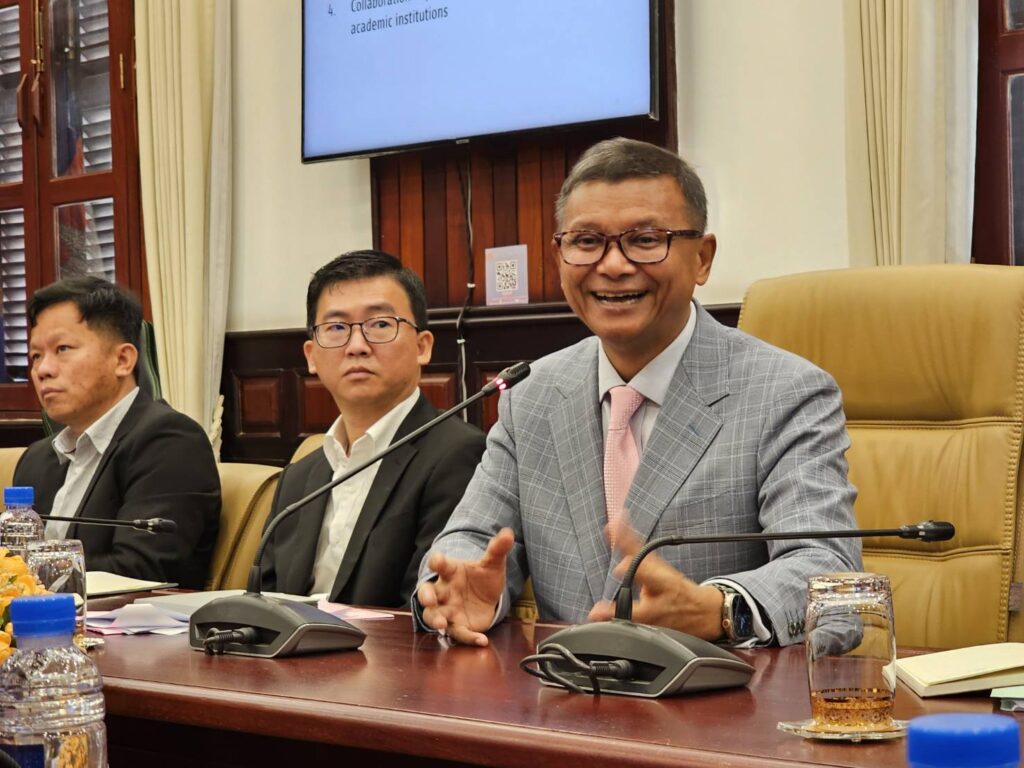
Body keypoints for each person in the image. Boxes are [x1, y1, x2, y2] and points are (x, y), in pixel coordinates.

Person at [416, 137, 861, 647]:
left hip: (717, 705)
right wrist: (458, 590)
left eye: (646, 240)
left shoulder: (786, 392)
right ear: (559, 256)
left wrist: (719, 611)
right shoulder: (532, 393)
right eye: (586, 241)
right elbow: (473, 538)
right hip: (561, 705)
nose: (613, 265)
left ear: (702, 259)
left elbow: (831, 575)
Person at [260, 250, 486, 607]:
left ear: (422, 346)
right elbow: (263, 598)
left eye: (380, 325)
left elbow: (428, 607)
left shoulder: (459, 455)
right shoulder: (300, 477)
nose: (356, 346)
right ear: (311, 356)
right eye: (336, 328)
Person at [14, 277, 220, 588]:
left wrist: (20, 578)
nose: (43, 370)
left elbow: (142, 569)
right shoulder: (37, 459)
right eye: (36, 356)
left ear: (122, 360)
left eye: (62, 349)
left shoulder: (169, 441)